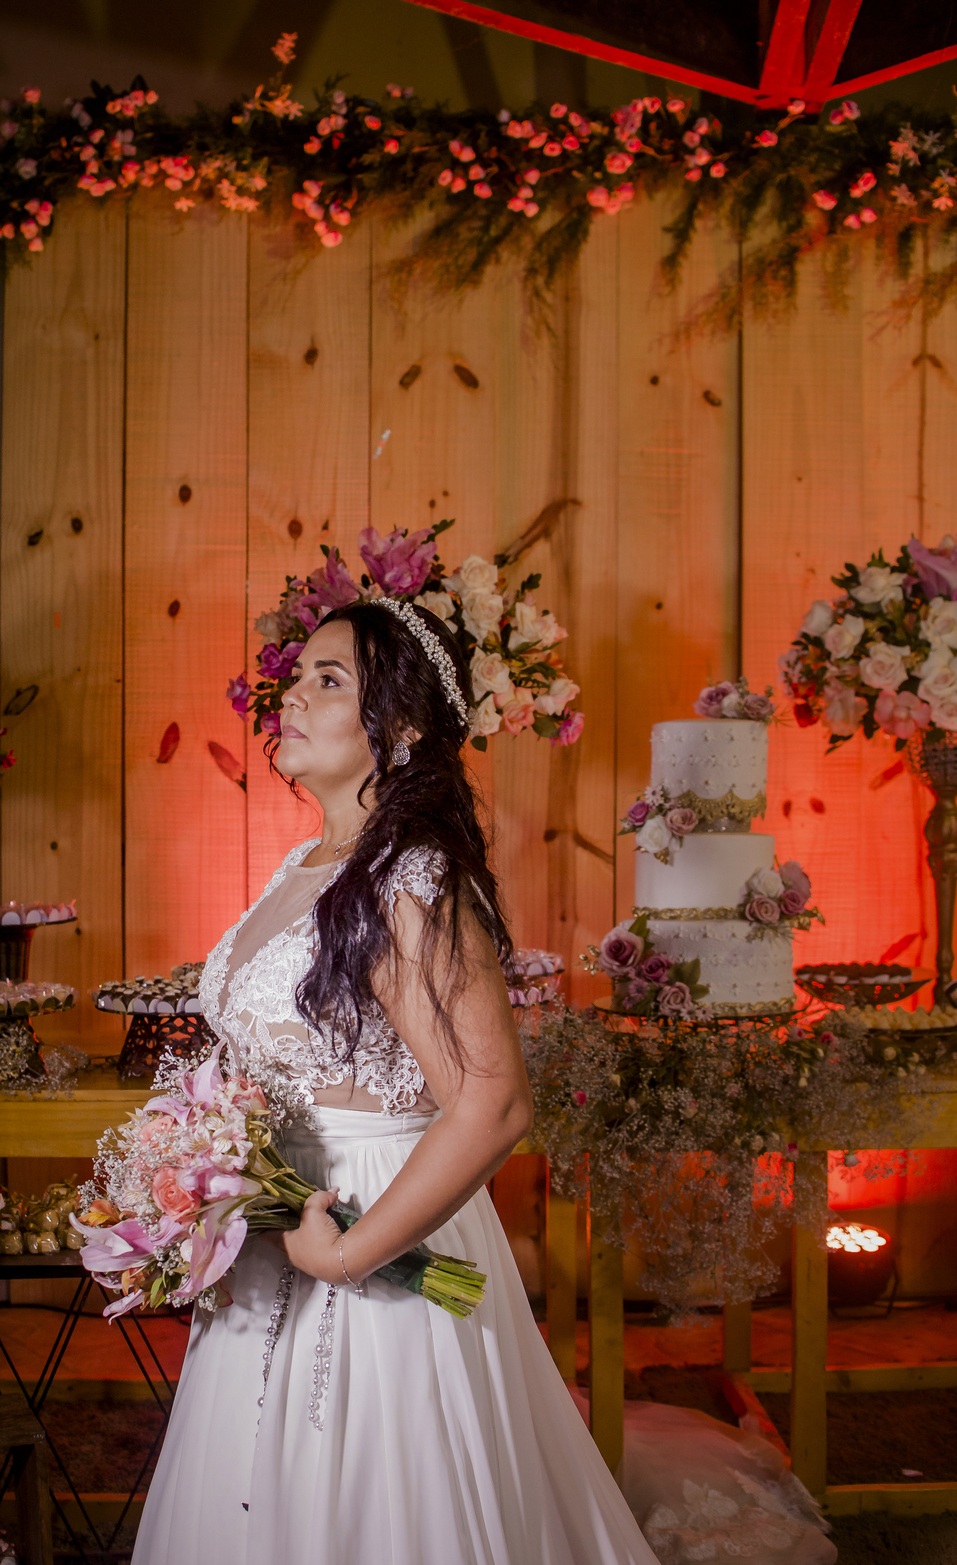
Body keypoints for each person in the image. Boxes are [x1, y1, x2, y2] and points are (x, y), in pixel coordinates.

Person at [131, 598, 659, 1565]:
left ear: (404, 729)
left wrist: (346, 1254)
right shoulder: (305, 864)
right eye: (296, 678)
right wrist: (203, 1163)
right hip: (282, 1234)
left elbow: (492, 1100)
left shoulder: (409, 876)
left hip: (370, 1230)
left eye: (329, 681)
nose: (292, 696)